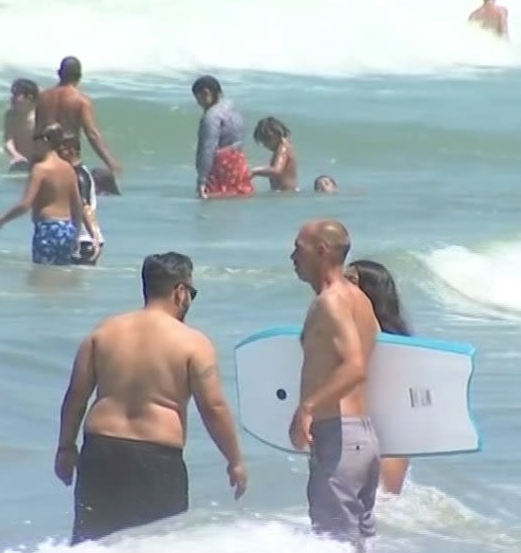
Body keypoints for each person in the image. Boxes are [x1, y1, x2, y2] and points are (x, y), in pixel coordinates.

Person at [54, 252, 248, 544]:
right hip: (156, 458)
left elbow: (75, 396)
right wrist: (234, 460)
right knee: (158, 544)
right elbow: (213, 407)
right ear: (180, 291)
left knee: (92, 542)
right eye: (192, 292)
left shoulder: (103, 332)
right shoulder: (193, 342)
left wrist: (65, 447)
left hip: (100, 451)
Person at [288, 220, 381, 549]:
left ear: (321, 251)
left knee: (333, 543)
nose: (291, 256)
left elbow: (355, 367)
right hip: (363, 436)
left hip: (339, 436)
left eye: (298, 248)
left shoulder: (331, 302)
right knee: (357, 543)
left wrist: (308, 407)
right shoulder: (360, 299)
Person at [344, 259, 411, 495]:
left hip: (383, 421)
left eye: (350, 280)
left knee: (384, 502)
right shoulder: (398, 340)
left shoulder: (387, 337)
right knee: (377, 503)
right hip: (366, 420)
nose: (341, 284)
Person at [0, 124, 96, 266]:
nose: (33, 143)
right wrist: (76, 234)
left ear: (45, 141)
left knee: (43, 280)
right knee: (60, 276)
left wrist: (2, 219)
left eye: (35, 138)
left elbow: (25, 205)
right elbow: (77, 205)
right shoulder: (68, 169)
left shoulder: (40, 169)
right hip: (67, 228)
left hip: (48, 229)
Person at [36, 56, 122, 176]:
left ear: (59, 73)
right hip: (69, 162)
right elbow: (92, 134)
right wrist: (110, 162)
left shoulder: (42, 97)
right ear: (79, 76)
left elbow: (37, 133)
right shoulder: (81, 100)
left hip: (43, 162)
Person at [192, 75, 253, 199]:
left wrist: (202, 179)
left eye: (198, 98)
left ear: (205, 93)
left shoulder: (211, 116)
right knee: (237, 200)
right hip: (238, 161)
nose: (198, 103)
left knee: (211, 200)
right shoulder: (232, 107)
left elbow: (207, 148)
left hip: (220, 166)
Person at [58, 135, 105, 265]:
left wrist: (94, 237)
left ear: (72, 150)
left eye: (61, 151)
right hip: (85, 239)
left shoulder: (78, 175)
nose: (58, 155)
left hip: (84, 240)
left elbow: (85, 207)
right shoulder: (82, 171)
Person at [251, 116, 298, 191]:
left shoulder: (283, 148)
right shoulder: (282, 149)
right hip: (284, 193)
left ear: (278, 134)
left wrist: (255, 171)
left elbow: (276, 170)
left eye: (267, 140)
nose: (265, 145)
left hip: (286, 194)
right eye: (263, 142)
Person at [4, 78, 39, 172]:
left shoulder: (40, 116)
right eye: (12, 95)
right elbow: (8, 141)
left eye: (16, 95)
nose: (12, 98)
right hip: (19, 161)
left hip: (39, 163)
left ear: (29, 98)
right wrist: (16, 155)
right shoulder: (10, 115)